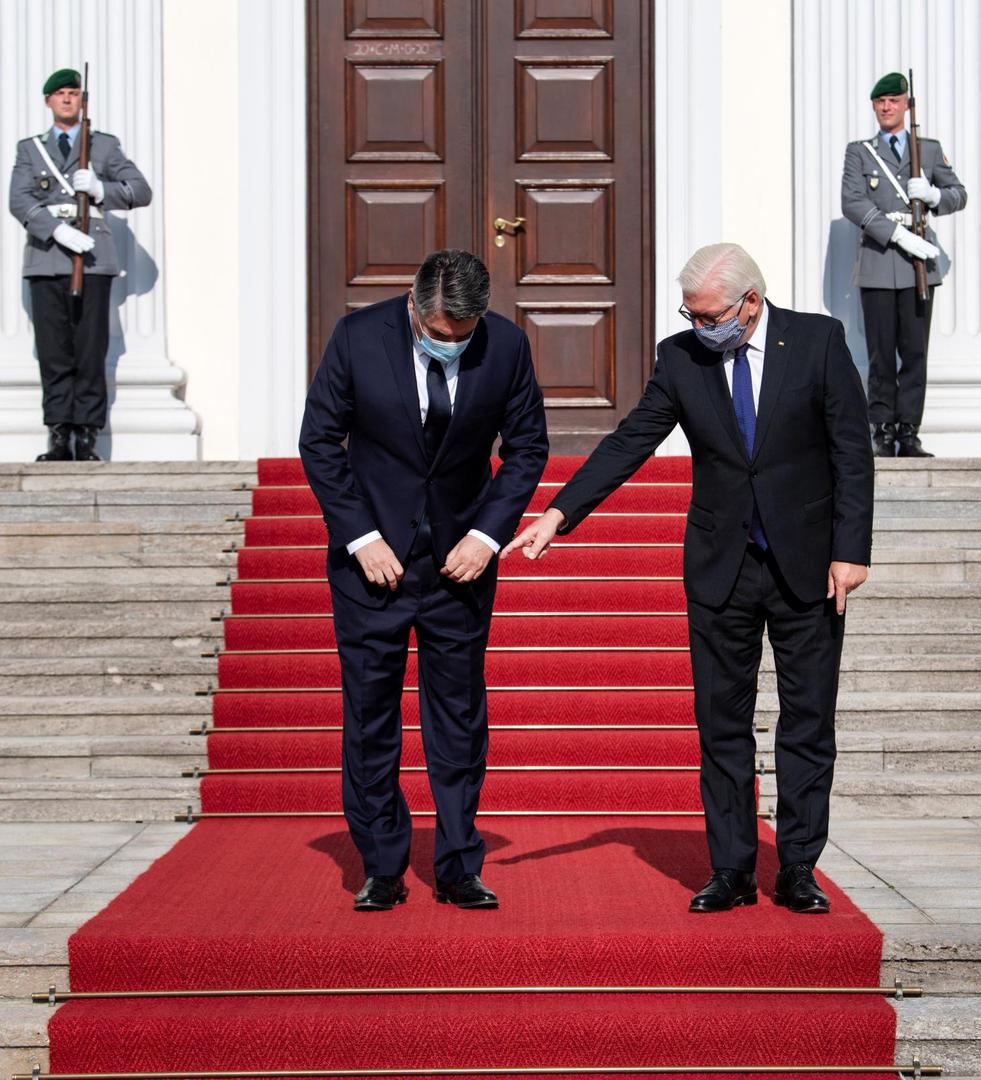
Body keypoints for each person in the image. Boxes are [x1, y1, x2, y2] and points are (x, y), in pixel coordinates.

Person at [502, 243, 874, 915]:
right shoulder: (680, 358)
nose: (700, 328)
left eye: (709, 317)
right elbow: (630, 440)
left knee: (807, 721)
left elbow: (851, 448)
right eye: (691, 316)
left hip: (809, 565)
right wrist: (559, 513)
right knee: (720, 724)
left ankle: (797, 867)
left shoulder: (817, 342)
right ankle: (730, 870)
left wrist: (850, 550)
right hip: (720, 566)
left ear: (750, 303)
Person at [299, 249, 548, 912]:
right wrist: (360, 536)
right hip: (371, 565)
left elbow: (527, 448)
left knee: (458, 719)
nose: (449, 343)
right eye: (437, 333)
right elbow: (319, 441)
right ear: (413, 306)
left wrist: (487, 535)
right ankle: (381, 864)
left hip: (458, 566)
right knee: (370, 716)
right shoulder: (357, 337)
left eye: (461, 335)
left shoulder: (506, 347)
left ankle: (459, 864)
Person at [8, 68, 152, 462]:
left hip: (92, 261)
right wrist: (56, 230)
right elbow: (18, 199)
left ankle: (87, 436)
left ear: (82, 100)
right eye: (60, 94)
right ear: (49, 101)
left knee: (90, 350)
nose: (67, 99)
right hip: (46, 258)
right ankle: (59, 434)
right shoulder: (30, 149)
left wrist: (103, 190)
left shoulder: (104, 146)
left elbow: (141, 191)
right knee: (53, 351)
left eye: (73, 93)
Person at [841, 70, 967, 458]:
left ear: (906, 105)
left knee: (914, 353)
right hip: (879, 262)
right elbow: (852, 201)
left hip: (917, 268)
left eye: (893, 101)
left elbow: (958, 194)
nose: (886, 107)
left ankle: (909, 431)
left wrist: (933, 196)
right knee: (880, 354)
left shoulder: (927, 150)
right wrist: (895, 234)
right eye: (880, 102)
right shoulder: (860, 152)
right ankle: (881, 429)